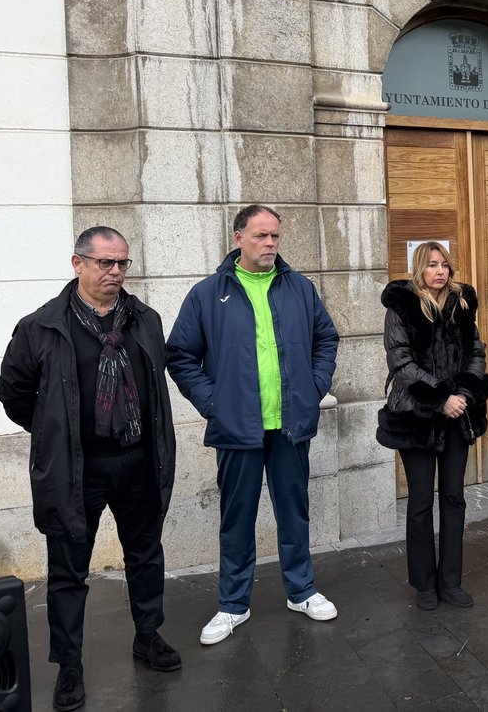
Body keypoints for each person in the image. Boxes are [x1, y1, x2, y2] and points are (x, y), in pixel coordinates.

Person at [0, 227, 179, 712]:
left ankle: (148, 636)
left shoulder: (145, 319)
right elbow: (15, 396)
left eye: (122, 264)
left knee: (145, 555)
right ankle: (70, 665)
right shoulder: (41, 327)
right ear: (78, 264)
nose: (116, 273)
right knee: (68, 571)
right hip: (78, 470)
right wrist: (56, 432)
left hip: (139, 461)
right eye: (105, 263)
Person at [167, 204, 340, 645]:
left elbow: (326, 338)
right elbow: (181, 355)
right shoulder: (208, 294)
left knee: (294, 512)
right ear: (238, 237)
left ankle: (301, 591)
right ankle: (232, 605)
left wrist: (314, 386)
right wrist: (213, 404)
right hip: (237, 427)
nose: (270, 244)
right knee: (237, 519)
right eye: (261, 236)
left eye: (275, 237)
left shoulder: (299, 287)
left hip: (289, 425)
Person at [378, 241, 488, 610]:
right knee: (422, 501)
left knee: (455, 498)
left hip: (458, 415)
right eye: (431, 265)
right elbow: (401, 362)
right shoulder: (402, 307)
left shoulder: (461, 303)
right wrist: (441, 397)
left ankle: (451, 581)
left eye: (444, 264)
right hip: (417, 415)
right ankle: (425, 584)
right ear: (419, 269)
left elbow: (476, 352)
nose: (440, 271)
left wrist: (461, 395)